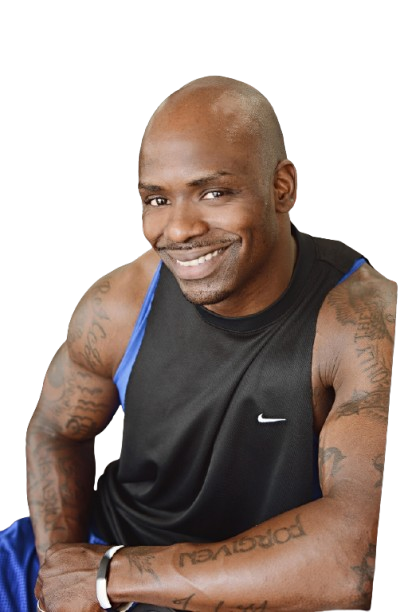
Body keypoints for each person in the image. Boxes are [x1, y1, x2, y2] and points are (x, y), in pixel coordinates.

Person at [0, 75, 397, 612]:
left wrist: (113, 577)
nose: (180, 229)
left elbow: (353, 562)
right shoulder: (120, 303)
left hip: (251, 587)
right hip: (103, 555)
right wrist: (62, 571)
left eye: (214, 192)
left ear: (282, 188)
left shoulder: (364, 323)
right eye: (157, 199)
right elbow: (55, 432)